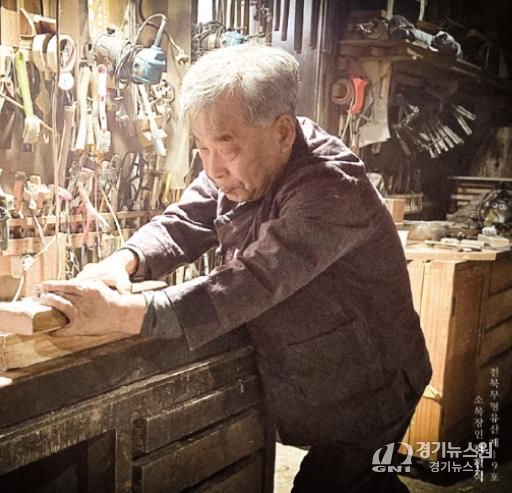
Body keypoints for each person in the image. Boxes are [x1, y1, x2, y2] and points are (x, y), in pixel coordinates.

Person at [39, 44, 432, 492]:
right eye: (201, 148)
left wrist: (121, 314)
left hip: (372, 381)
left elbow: (251, 280)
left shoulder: (330, 187)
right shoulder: (242, 164)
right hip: (321, 373)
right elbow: (183, 222)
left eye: (225, 148)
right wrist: (121, 262)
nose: (212, 168)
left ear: (282, 132)